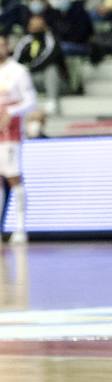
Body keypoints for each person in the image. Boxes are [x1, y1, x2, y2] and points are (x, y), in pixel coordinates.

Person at [0, 37, 37, 245]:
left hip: (10, 132)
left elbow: (31, 101)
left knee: (13, 177)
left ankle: (20, 227)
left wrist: (11, 112)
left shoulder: (18, 71)